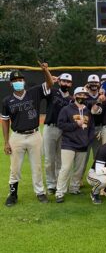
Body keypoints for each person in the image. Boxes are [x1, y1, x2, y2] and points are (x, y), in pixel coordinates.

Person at [2, 62, 53, 206]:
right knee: (15, 168)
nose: (18, 82)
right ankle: (12, 194)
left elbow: (49, 84)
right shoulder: (7, 101)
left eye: (20, 80)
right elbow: (5, 121)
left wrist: (45, 70)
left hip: (34, 135)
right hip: (17, 136)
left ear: (23, 81)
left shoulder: (34, 92)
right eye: (15, 81)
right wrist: (6, 142)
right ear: (11, 84)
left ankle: (40, 192)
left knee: (36, 166)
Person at [56, 87, 95, 203]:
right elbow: (61, 125)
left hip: (83, 144)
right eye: (79, 94)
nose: (82, 97)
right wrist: (75, 124)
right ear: (74, 96)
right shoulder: (66, 109)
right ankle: (59, 192)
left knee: (79, 169)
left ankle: (74, 188)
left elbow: (91, 128)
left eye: (84, 95)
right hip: (68, 143)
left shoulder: (88, 111)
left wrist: (88, 140)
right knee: (66, 168)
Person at [43, 73, 73, 195]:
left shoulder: (71, 99)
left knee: (61, 160)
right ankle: (51, 184)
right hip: (50, 128)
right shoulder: (52, 91)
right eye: (63, 81)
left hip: (64, 130)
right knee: (49, 159)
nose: (65, 84)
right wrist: (51, 80)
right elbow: (46, 86)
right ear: (59, 82)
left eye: (68, 82)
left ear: (71, 84)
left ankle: (59, 184)